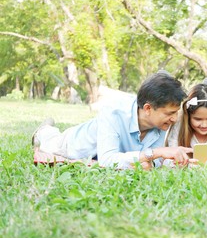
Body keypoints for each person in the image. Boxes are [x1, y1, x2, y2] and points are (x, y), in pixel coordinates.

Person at [32, 71, 193, 170]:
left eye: (176, 112)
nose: (174, 118)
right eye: (170, 113)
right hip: (71, 144)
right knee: (49, 140)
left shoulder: (161, 124)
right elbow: (108, 160)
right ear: (148, 109)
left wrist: (154, 162)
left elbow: (152, 161)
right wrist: (156, 154)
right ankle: (44, 129)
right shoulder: (113, 112)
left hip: (109, 151)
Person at [165, 78, 207, 149]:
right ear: (188, 116)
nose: (204, 125)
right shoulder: (178, 126)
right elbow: (172, 152)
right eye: (198, 119)